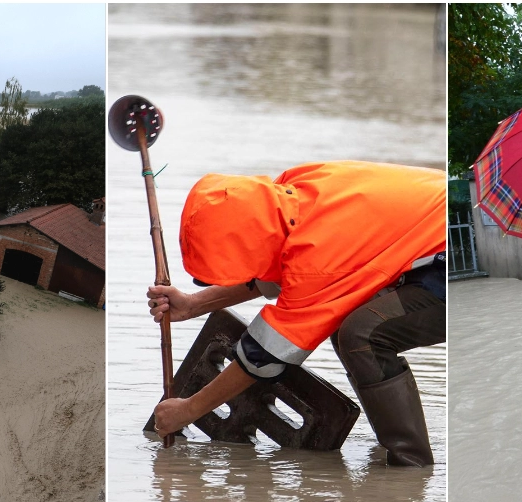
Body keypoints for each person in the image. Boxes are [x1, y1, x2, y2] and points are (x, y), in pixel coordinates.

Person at [148, 161, 446, 466]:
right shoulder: (291, 191)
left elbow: (266, 355)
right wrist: (195, 303)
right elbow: (279, 266)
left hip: (441, 260)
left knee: (362, 335)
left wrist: (188, 410)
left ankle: (411, 468)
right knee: (348, 326)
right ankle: (389, 443)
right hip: (422, 240)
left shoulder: (319, 257)